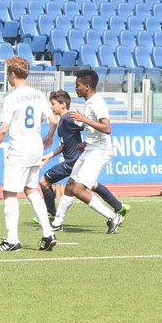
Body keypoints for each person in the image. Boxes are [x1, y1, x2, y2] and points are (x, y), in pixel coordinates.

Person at [0, 56, 58, 253]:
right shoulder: (38, 94)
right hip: (36, 147)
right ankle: (48, 234)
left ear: (12, 74)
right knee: (31, 189)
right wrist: (50, 136)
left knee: (10, 192)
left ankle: (12, 240)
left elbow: (3, 129)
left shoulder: (11, 98)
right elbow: (53, 120)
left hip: (19, 149)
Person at [50, 69, 123, 234]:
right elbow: (94, 130)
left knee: (78, 190)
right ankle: (57, 222)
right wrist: (85, 143)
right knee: (70, 185)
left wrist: (83, 119)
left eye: (78, 85)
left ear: (87, 86)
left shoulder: (97, 103)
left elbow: (107, 128)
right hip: (90, 149)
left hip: (100, 151)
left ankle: (113, 217)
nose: (76, 88)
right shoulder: (89, 102)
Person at [39, 90, 129, 221]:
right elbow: (64, 145)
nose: (51, 106)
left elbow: (86, 125)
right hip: (77, 160)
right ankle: (119, 207)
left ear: (63, 104)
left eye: (53, 104)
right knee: (92, 184)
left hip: (72, 162)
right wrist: (49, 156)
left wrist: (85, 126)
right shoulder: (63, 121)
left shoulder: (69, 118)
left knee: (44, 182)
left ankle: (52, 215)